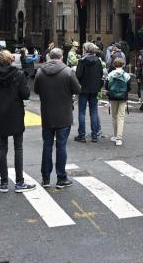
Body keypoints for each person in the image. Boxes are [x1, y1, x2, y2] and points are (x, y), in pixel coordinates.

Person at [0, 49, 35, 193]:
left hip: (1, 114)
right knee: (18, 148)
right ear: (11, 60)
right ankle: (19, 182)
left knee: (3, 148)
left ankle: (3, 183)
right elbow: (26, 94)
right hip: (15, 113)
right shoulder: (19, 75)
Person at [34, 47, 81, 188]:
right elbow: (78, 89)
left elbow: (36, 90)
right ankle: (61, 178)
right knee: (61, 146)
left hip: (47, 114)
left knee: (47, 146)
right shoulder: (68, 71)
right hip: (64, 114)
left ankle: (46, 178)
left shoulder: (40, 71)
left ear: (49, 56)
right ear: (61, 57)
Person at [75, 42, 104, 143]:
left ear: (85, 50)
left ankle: (82, 135)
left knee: (82, 112)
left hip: (83, 89)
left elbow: (78, 75)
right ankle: (94, 135)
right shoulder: (98, 61)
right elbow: (101, 74)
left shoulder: (82, 61)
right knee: (94, 112)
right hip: (95, 89)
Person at [106, 56, 132, 146]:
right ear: (123, 65)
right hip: (123, 97)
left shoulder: (110, 74)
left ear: (114, 65)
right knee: (121, 116)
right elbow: (129, 88)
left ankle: (115, 135)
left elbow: (106, 87)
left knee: (114, 116)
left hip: (113, 96)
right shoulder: (126, 75)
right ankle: (119, 138)